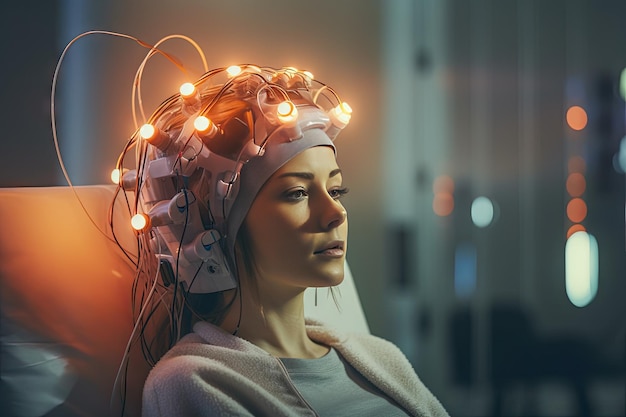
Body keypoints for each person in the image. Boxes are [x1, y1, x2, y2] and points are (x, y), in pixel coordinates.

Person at [114, 62, 449, 416]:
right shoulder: (194, 381)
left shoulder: (382, 357)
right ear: (214, 226)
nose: (336, 213)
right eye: (297, 193)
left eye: (337, 189)